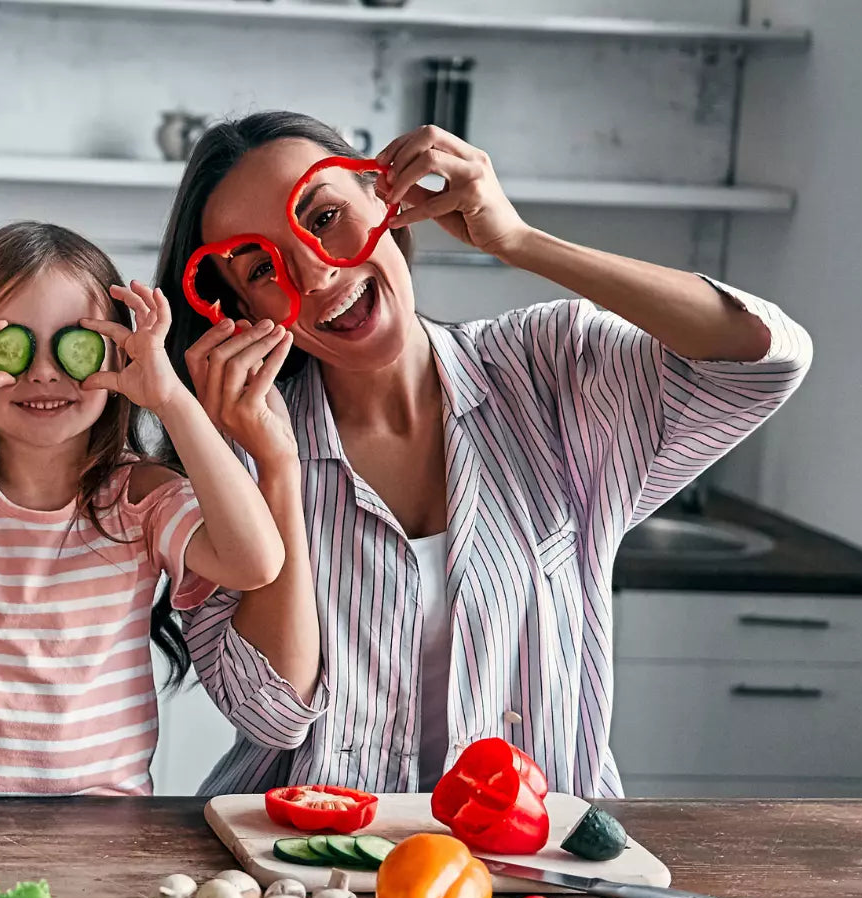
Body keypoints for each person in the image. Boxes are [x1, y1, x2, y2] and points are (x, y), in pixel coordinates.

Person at [157, 113, 811, 797]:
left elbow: (764, 361)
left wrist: (521, 242)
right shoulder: (229, 459)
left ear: (385, 197)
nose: (316, 273)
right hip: (305, 868)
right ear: (238, 308)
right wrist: (277, 469)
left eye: (323, 217)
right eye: (262, 267)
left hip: (536, 858)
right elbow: (271, 715)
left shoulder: (548, 369)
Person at [0, 222, 293, 794]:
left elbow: (257, 562)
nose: (43, 371)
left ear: (119, 353)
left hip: (96, 833)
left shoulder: (137, 498)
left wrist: (169, 397)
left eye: (73, 344)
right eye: (12, 345)